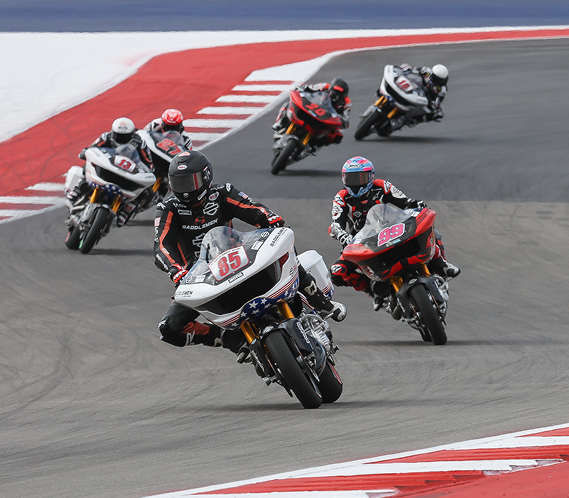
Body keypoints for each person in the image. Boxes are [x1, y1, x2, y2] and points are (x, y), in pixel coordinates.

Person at [155, 150, 346, 358]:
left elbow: (253, 209)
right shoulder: (168, 207)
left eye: (190, 182)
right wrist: (176, 270)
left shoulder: (222, 193)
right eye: (179, 183)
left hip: (238, 257)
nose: (185, 190)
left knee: (282, 243)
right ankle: (226, 337)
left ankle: (320, 302)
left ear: (206, 177)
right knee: (169, 328)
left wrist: (270, 218)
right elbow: (161, 245)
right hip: (200, 276)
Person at [328, 156, 460, 311]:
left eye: (360, 178)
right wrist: (342, 234)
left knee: (431, 230)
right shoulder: (341, 197)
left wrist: (415, 204)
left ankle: (442, 265)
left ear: (370, 176)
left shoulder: (382, 186)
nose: (355, 183)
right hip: (362, 242)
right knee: (337, 272)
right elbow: (336, 223)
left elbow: (404, 202)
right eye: (350, 178)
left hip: (391, 230)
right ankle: (372, 291)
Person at [64, 117, 156, 226]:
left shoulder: (140, 142)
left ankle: (125, 213)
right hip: (108, 166)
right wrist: (85, 152)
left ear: (131, 134)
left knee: (145, 190)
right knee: (89, 164)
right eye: (118, 135)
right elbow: (93, 148)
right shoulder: (106, 136)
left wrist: (148, 170)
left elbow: (148, 161)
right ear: (113, 132)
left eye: (124, 136)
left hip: (127, 172)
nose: (121, 138)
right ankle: (77, 190)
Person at [272, 77, 351, 146]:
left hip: (327, 118)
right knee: (288, 104)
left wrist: (342, 121)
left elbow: (346, 119)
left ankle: (315, 145)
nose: (335, 96)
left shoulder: (347, 104)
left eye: (339, 94)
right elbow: (308, 88)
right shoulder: (324, 86)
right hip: (314, 107)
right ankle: (279, 123)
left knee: (337, 135)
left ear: (344, 95)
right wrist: (301, 88)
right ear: (331, 88)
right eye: (334, 92)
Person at [382, 63, 448, 135]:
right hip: (414, 88)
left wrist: (434, 107)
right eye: (434, 76)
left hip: (423, 100)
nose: (436, 79)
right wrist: (405, 68)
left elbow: (437, 103)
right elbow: (413, 70)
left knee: (432, 114)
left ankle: (407, 120)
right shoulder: (426, 71)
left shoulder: (441, 90)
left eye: (439, 79)